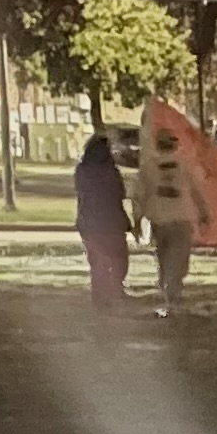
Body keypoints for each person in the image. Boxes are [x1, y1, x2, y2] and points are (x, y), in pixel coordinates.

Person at [134, 108, 203, 313]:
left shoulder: (148, 166)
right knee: (179, 261)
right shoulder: (186, 165)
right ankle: (173, 294)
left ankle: (166, 291)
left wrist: (138, 220)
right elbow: (198, 190)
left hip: (159, 220)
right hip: (182, 219)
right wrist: (204, 213)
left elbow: (138, 196)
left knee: (164, 258)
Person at [72, 129, 130, 309]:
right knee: (118, 257)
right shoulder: (111, 171)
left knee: (96, 259)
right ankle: (114, 287)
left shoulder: (82, 170)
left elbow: (81, 192)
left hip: (89, 221)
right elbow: (120, 194)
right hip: (111, 220)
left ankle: (100, 293)